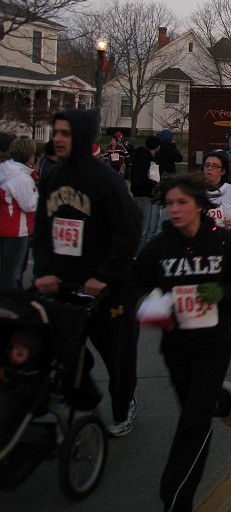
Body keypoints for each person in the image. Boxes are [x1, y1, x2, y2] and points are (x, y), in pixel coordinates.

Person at [128, 173, 231, 512]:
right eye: (169, 203)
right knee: (193, 408)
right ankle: (221, 400)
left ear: (198, 205)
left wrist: (221, 294)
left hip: (214, 343)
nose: (175, 209)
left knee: (194, 422)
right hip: (177, 346)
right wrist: (150, 307)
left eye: (182, 202)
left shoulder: (222, 242)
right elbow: (135, 285)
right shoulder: (158, 248)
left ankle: (175, 497)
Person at [34, 109, 142, 438]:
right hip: (64, 286)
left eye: (65, 133)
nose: (58, 138)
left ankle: (124, 408)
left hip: (107, 290)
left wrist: (105, 276)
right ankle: (86, 403)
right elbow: (42, 231)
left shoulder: (104, 179)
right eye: (56, 132)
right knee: (64, 353)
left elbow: (129, 230)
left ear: (80, 137)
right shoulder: (52, 177)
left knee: (118, 357)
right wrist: (43, 271)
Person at [0, 137, 37, 290]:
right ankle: (9, 306)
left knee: (5, 270)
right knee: (12, 274)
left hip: (4, 225)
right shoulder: (21, 177)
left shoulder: (4, 169)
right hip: (17, 229)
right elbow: (30, 204)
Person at [0, 328, 47, 441]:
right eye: (17, 347)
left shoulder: (32, 372)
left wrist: (15, 380)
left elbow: (26, 392)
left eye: (25, 348)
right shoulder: (6, 367)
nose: (20, 350)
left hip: (15, 400)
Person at [130, 136, 163, 247]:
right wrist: (154, 184)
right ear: (156, 146)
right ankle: (137, 254)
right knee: (142, 228)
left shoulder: (142, 156)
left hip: (142, 194)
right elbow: (140, 178)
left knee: (145, 227)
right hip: (143, 195)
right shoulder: (144, 158)